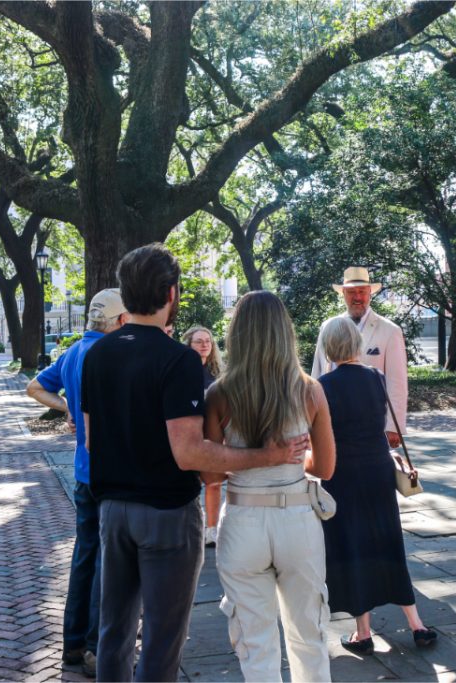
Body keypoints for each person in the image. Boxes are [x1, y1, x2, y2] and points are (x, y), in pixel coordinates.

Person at [80, 245, 309, 682]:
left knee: (114, 633)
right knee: (164, 640)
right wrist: (267, 456)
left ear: (126, 295)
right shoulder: (178, 359)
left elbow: (90, 440)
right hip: (166, 514)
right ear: (171, 293)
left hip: (112, 511)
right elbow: (190, 452)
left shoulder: (97, 355)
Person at [204, 291, 337, 683]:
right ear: (285, 332)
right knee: (309, 635)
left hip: (243, 518)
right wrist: (292, 457)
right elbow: (325, 468)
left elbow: (210, 476)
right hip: (297, 517)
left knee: (255, 642)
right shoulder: (309, 389)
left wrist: (251, 458)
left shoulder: (219, 394)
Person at [317, 316, 437, 654]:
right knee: (387, 542)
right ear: (356, 343)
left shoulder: (324, 386)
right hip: (378, 469)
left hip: (343, 474)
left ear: (329, 346)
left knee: (353, 546)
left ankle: (363, 632)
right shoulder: (376, 377)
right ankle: (417, 624)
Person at [25, 288, 127, 677]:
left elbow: (34, 387)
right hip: (110, 471)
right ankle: (95, 648)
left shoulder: (73, 352)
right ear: (120, 321)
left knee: (85, 556)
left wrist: (67, 406)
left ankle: (72, 645)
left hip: (83, 470)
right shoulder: (110, 354)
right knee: (107, 561)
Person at [312, 266, 407, 449]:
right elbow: (317, 372)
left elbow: (397, 383)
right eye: (351, 292)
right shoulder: (327, 327)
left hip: (371, 426)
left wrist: (394, 426)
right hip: (330, 423)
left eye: (362, 291)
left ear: (370, 293)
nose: (357, 297)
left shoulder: (390, 331)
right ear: (343, 294)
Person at [182, 325, 225, 546]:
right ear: (189, 344)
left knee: (214, 483)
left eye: (208, 341)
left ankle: (211, 530)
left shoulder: (218, 372)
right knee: (190, 484)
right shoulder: (181, 369)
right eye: (199, 341)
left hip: (212, 434)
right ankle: (192, 528)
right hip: (188, 434)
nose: (204, 345)